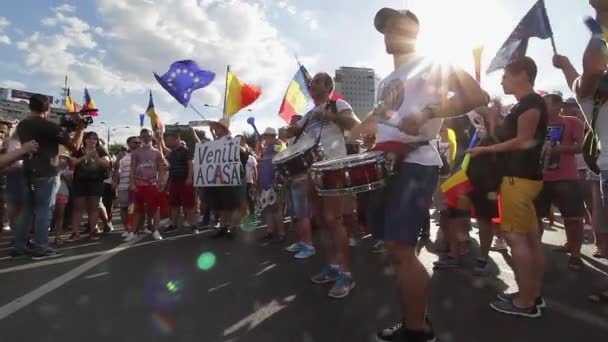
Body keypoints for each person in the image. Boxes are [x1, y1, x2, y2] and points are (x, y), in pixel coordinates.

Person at [350, 8, 488, 340]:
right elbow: (383, 118)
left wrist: (430, 110)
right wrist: (369, 134)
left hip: (414, 163)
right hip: (389, 165)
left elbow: (476, 96)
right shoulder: (386, 81)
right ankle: (414, 321)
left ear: (414, 31)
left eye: (396, 27)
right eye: (385, 29)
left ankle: (416, 330)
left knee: (401, 250)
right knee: (395, 251)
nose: (388, 34)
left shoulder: (433, 63)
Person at [469, 57, 548, 318]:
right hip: (523, 179)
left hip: (518, 179)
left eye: (505, 75)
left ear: (522, 75)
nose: (502, 80)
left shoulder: (531, 103)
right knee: (530, 239)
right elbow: (507, 136)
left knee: (518, 239)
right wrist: (492, 120)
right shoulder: (524, 105)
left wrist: (485, 149)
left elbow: (522, 140)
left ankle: (524, 302)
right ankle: (532, 295)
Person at [286, 72, 361, 299]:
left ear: (328, 86)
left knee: (333, 220)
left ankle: (347, 274)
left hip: (333, 167)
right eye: (313, 82)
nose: (313, 84)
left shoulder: (339, 103)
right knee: (321, 221)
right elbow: (296, 135)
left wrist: (331, 116)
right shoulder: (308, 114)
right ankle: (333, 266)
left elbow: (354, 124)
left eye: (318, 81)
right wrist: (290, 131)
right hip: (312, 170)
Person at [11, 94, 84, 259]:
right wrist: (81, 128)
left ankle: (19, 247)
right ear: (47, 108)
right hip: (47, 172)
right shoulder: (49, 126)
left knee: (27, 210)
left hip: (28, 171)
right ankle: (41, 248)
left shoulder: (22, 125)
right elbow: (74, 146)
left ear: (30, 107)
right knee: (44, 210)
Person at [534, 94, 586, 271]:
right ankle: (535, 252)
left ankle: (575, 255)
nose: (544, 108)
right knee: (534, 218)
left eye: (547, 104)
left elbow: (581, 147)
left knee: (572, 218)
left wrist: (559, 148)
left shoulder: (572, 122)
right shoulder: (536, 124)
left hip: (566, 178)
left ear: (558, 106)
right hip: (540, 178)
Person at [204, 117, 248, 239]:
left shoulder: (232, 140)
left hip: (230, 178)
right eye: (215, 127)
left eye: (217, 127)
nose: (215, 129)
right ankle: (223, 227)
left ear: (223, 128)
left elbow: (244, 151)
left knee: (230, 204)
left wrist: (233, 144)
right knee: (222, 204)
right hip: (220, 178)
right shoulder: (218, 141)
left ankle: (229, 227)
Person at [67, 131, 111, 242]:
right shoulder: (78, 151)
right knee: (78, 208)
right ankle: (75, 233)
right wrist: (85, 157)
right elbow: (72, 163)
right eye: (90, 138)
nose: (92, 141)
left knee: (94, 208)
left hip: (96, 182)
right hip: (80, 182)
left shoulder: (100, 151)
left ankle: (93, 231)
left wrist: (96, 158)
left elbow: (107, 164)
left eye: (95, 139)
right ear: (85, 140)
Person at [130, 128, 166, 241]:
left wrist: (160, 182)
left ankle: (155, 230)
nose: (146, 138)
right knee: (136, 209)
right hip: (138, 184)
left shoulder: (156, 152)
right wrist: (132, 183)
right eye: (143, 136)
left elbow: (161, 169)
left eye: (148, 136)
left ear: (151, 137)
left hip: (151, 184)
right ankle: (134, 231)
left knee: (154, 209)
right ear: (140, 138)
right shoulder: (136, 152)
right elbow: (132, 168)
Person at [159, 130, 197, 232]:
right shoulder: (173, 153)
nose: (168, 142)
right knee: (174, 204)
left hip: (185, 181)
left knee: (189, 204)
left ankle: (193, 225)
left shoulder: (185, 151)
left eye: (169, 140)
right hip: (174, 181)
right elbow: (163, 149)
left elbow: (190, 165)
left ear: (177, 140)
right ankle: (174, 224)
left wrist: (189, 177)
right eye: (167, 140)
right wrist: (160, 138)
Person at [257, 127, 287, 242]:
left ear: (273, 136)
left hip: (275, 181)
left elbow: (280, 154)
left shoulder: (278, 144)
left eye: (268, 136)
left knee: (276, 209)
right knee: (268, 209)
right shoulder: (267, 147)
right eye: (265, 136)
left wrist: (265, 156)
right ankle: (270, 232)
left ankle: (281, 233)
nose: (266, 138)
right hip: (265, 181)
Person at [116, 136, 141, 241]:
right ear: (128, 144)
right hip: (123, 185)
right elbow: (116, 170)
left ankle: (136, 229)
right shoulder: (123, 156)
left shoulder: (142, 155)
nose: (137, 144)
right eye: (135, 142)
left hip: (136, 186)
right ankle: (127, 228)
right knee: (124, 208)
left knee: (135, 209)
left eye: (139, 143)